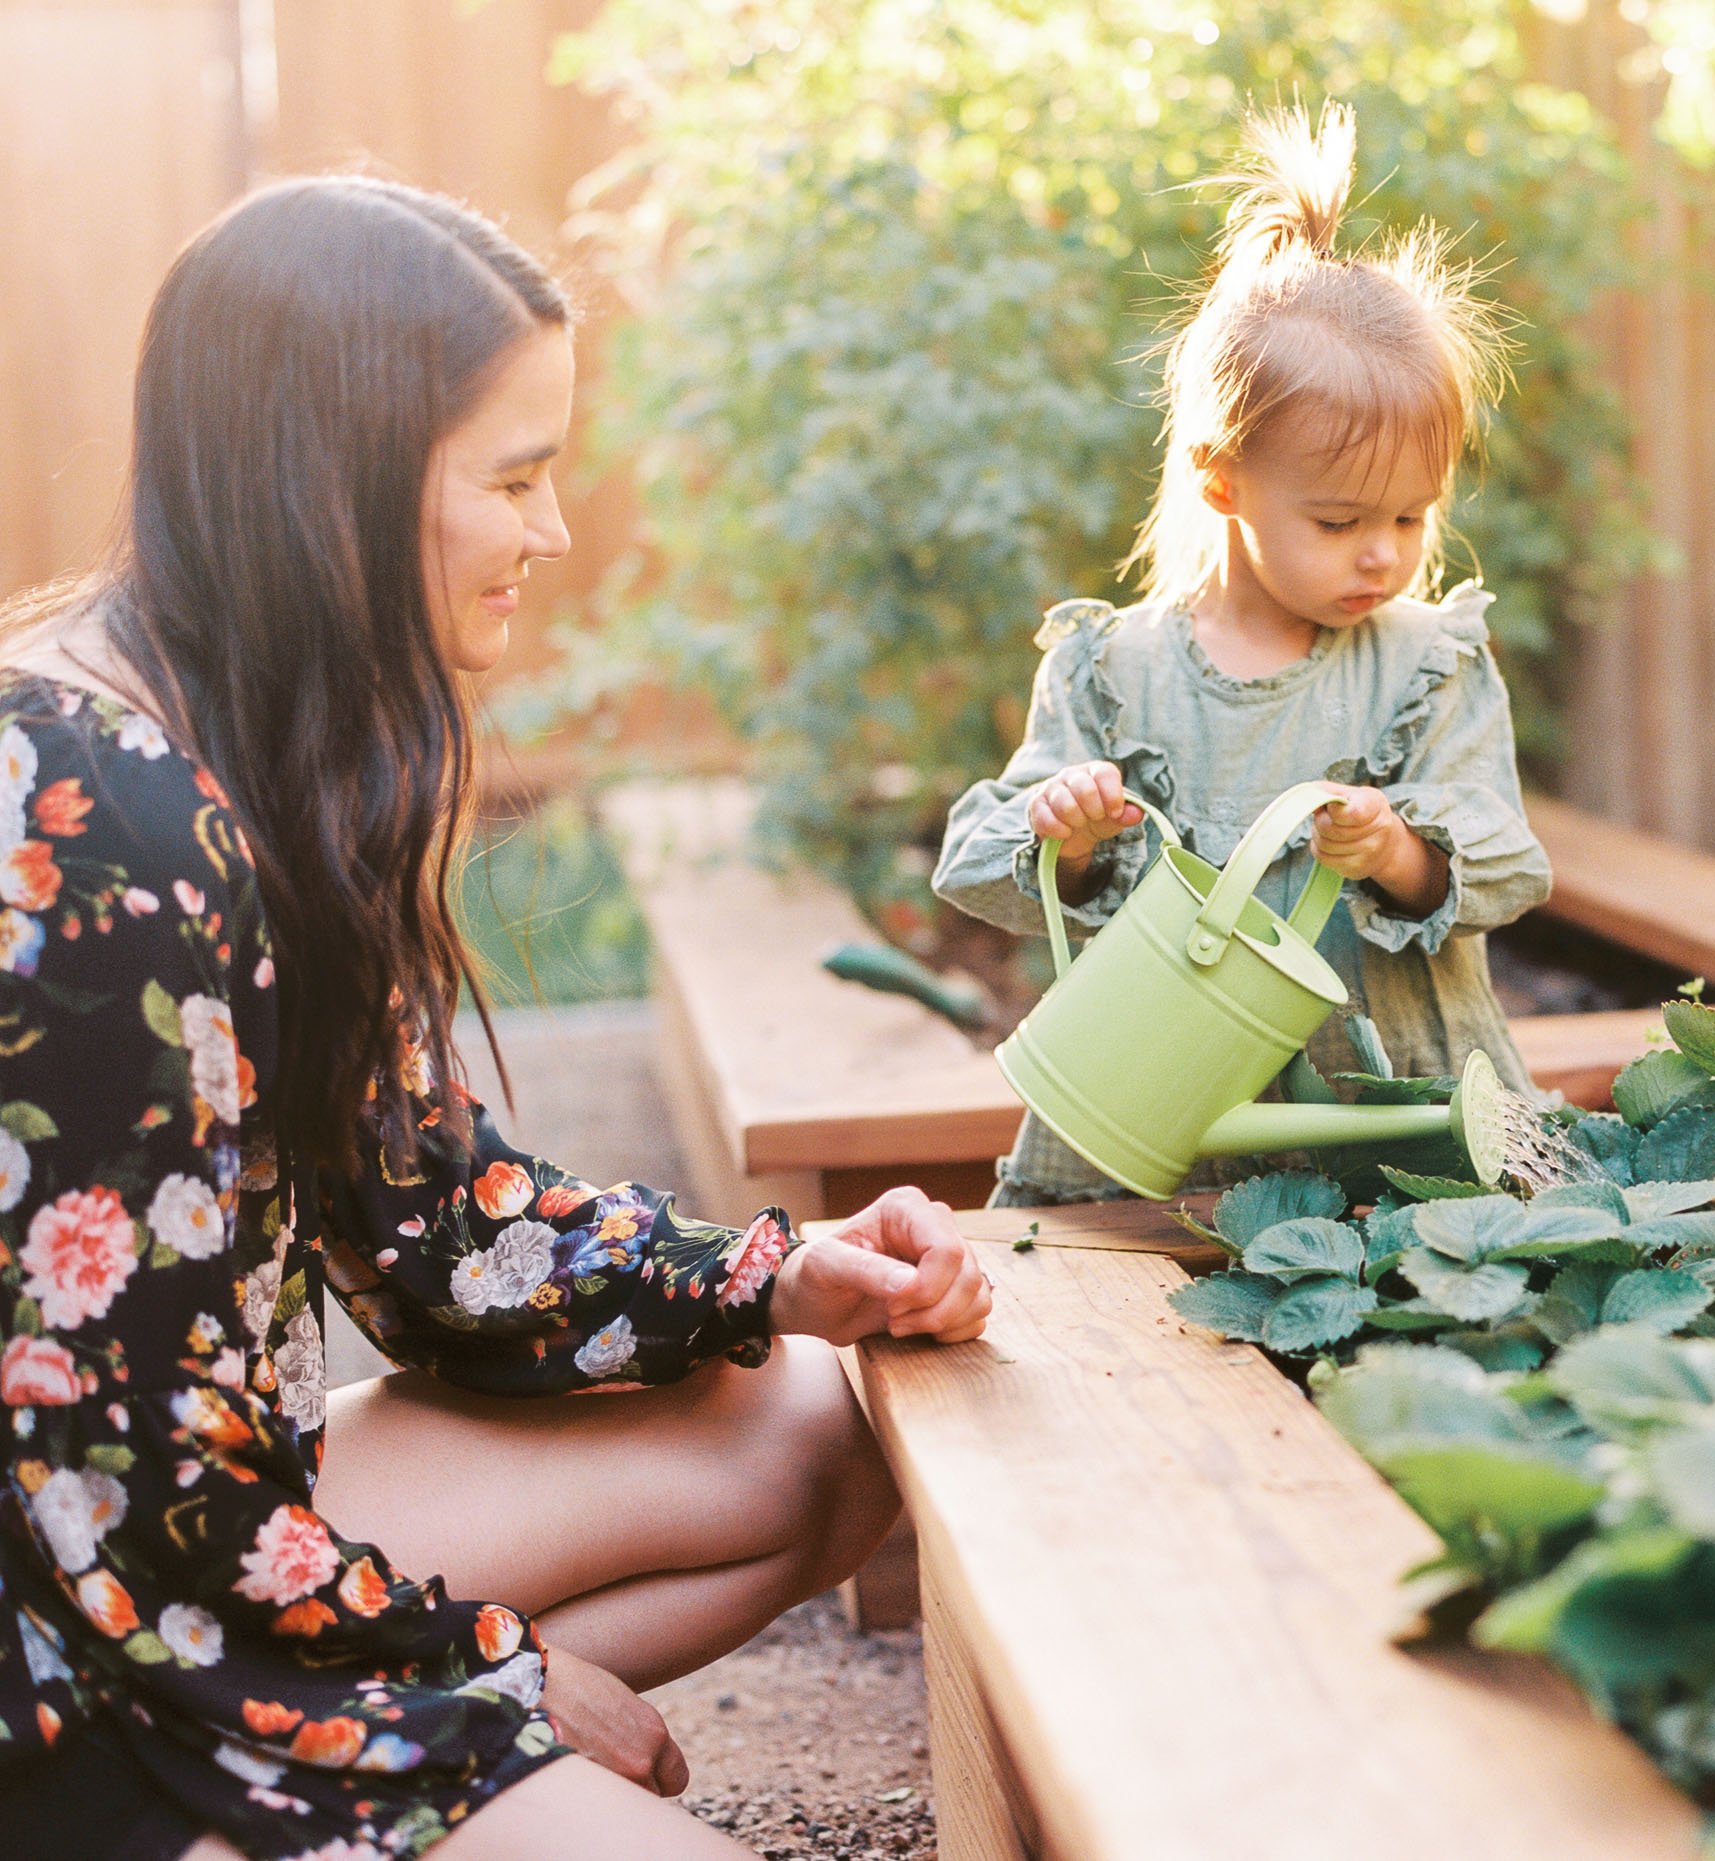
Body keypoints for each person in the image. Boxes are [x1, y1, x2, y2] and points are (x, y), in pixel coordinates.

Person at [0, 176, 991, 1860]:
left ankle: (368, 1794)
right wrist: (484, 1685)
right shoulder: (87, 832)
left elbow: (437, 1225)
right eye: (513, 481)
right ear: (337, 495)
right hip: (65, 1640)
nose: (552, 533)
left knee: (818, 1423)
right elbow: (115, 1512)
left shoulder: (268, 742)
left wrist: (773, 1279)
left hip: (188, 1521)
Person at [933, 103, 1553, 1206]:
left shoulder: (1424, 665)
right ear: (1222, 481)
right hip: (1150, 1135)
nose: (1384, 553)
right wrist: (1067, 835)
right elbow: (981, 867)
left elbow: (1505, 857)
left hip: (1388, 1125)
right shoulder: (1110, 673)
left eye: (1411, 518)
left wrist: (1400, 851)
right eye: (1338, 521)